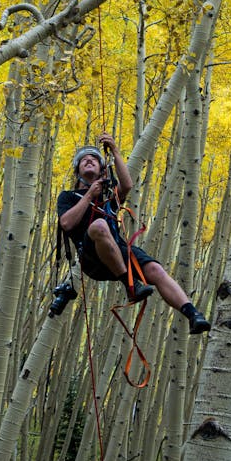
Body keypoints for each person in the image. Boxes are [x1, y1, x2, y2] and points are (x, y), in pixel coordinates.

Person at [55, 133, 210, 334]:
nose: (89, 161)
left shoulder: (108, 197)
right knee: (99, 225)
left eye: (94, 159)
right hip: (91, 259)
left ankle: (192, 314)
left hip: (117, 250)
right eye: (84, 160)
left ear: (103, 171)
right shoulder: (68, 197)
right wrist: (89, 196)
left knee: (155, 270)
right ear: (78, 171)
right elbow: (66, 223)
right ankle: (130, 285)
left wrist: (116, 151)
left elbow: (127, 185)